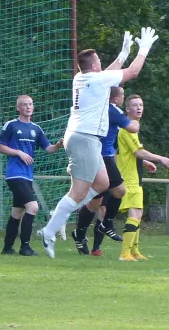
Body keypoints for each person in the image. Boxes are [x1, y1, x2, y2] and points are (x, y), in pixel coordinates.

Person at [40, 27, 159, 258]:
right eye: (99, 62)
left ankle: (62, 212)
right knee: (79, 192)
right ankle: (52, 226)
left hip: (84, 138)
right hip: (85, 139)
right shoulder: (96, 79)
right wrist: (143, 48)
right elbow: (132, 72)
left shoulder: (81, 78)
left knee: (103, 183)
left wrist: (123, 53)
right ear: (94, 66)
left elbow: (108, 73)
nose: (101, 64)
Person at [71, 86, 139, 256]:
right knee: (120, 191)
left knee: (95, 203)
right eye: (123, 95)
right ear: (116, 98)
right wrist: (135, 120)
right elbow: (133, 128)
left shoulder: (101, 108)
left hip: (99, 156)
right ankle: (106, 224)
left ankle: (79, 234)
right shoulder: (112, 110)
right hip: (101, 157)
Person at [0, 95, 64, 256]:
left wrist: (58, 145)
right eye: (24, 105)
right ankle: (25, 247)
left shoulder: (36, 129)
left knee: (17, 212)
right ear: (18, 108)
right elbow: (0, 146)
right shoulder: (11, 125)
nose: (28, 107)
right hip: (14, 175)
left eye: (30, 104)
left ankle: (7, 248)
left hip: (27, 176)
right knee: (33, 207)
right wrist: (19, 153)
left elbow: (48, 149)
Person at [117, 94, 169, 261]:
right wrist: (160, 158)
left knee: (138, 213)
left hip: (135, 175)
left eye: (141, 105)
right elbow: (137, 151)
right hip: (128, 176)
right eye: (135, 105)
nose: (139, 108)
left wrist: (146, 162)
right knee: (134, 213)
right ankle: (124, 253)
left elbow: (132, 153)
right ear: (127, 109)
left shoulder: (133, 127)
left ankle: (134, 251)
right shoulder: (128, 127)